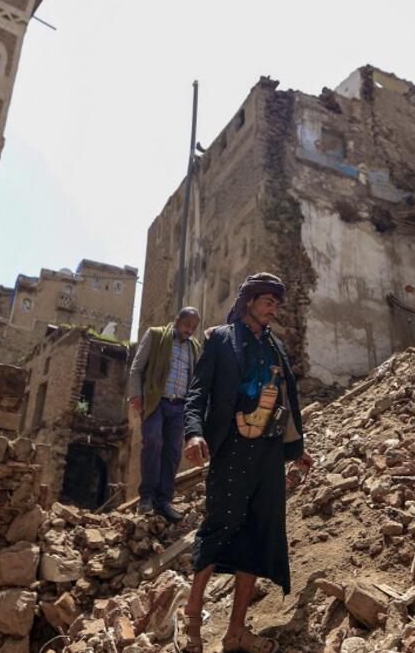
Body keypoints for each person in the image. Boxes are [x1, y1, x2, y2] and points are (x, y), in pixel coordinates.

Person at [179, 273, 314, 653]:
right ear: (250, 302)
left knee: (257, 534)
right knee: (220, 526)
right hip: (232, 447)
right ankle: (191, 614)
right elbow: (198, 392)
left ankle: (236, 631)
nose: (273, 308)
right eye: (268, 301)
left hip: (269, 453)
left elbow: (286, 401)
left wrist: (295, 447)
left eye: (276, 302)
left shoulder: (276, 348)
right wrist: (194, 433)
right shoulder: (221, 339)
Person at [127, 306, 201, 520]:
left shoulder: (194, 347)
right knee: (152, 441)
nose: (189, 330)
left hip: (180, 406)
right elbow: (137, 368)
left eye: (193, 327)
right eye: (187, 325)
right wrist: (135, 395)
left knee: (173, 451)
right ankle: (146, 497)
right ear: (177, 320)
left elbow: (195, 379)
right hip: (156, 401)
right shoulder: (156, 335)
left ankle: (164, 500)